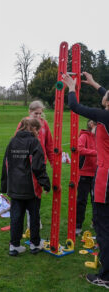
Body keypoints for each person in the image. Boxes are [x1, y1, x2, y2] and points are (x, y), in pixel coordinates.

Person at [62, 71, 109, 288]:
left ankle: (106, 276)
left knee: (103, 227)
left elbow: (76, 107)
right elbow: (106, 93)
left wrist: (72, 87)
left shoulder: (106, 116)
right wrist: (92, 83)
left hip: (105, 179)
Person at [1, 118, 50, 256]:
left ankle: (14, 245)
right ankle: (35, 244)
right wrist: (45, 184)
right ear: (33, 129)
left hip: (15, 188)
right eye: (38, 130)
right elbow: (38, 166)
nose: (39, 133)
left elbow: (5, 164)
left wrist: (5, 186)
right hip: (31, 188)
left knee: (16, 217)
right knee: (34, 216)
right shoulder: (34, 142)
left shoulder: (12, 141)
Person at [16, 100, 54, 230]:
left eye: (40, 113)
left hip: (40, 164)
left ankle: (35, 219)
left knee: (38, 192)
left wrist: (53, 162)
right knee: (28, 193)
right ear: (29, 112)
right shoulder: (23, 124)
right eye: (35, 113)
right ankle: (31, 222)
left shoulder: (45, 124)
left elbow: (49, 145)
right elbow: (16, 142)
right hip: (26, 165)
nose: (38, 116)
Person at [76, 119, 97, 235]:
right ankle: (77, 226)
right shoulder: (84, 136)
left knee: (97, 201)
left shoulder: (101, 136)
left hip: (97, 174)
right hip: (84, 174)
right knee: (81, 201)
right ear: (90, 124)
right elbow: (79, 149)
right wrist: (96, 152)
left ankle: (96, 222)